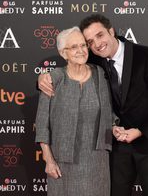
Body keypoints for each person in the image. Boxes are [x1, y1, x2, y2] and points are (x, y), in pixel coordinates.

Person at [38, 14, 148, 196]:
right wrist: (41, 79)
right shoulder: (94, 60)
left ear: (111, 31)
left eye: (100, 35)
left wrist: (140, 130)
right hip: (117, 148)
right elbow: (67, 69)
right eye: (90, 41)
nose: (96, 44)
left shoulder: (146, 55)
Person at [35, 26, 113, 196]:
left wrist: (117, 127)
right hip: (62, 163)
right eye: (74, 47)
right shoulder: (53, 79)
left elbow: (109, 113)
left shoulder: (100, 74)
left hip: (97, 162)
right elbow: (42, 124)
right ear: (64, 53)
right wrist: (48, 160)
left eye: (83, 45)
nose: (81, 51)